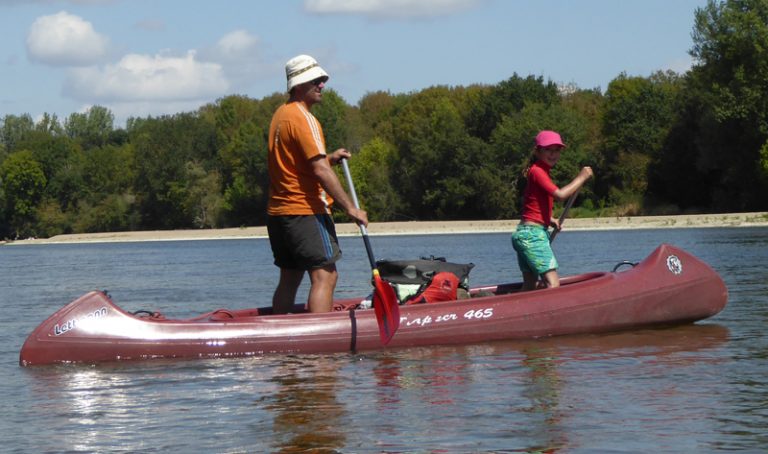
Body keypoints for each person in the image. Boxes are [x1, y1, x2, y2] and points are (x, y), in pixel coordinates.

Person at [267, 54, 368, 314]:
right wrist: (351, 209)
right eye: (315, 80)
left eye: (322, 80)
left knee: (290, 278)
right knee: (326, 276)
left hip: (280, 214)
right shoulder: (304, 118)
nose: (322, 85)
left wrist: (329, 158)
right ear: (299, 85)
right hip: (306, 210)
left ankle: (281, 337)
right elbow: (319, 170)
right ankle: (319, 349)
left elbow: (298, 163)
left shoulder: (281, 115)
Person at [511, 130, 593, 291]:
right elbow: (560, 195)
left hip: (526, 233)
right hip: (532, 236)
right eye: (548, 149)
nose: (553, 154)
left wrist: (549, 219)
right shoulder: (537, 171)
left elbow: (533, 204)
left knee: (529, 285)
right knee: (553, 284)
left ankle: (517, 311)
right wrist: (581, 177)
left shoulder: (541, 171)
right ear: (538, 151)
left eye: (557, 150)